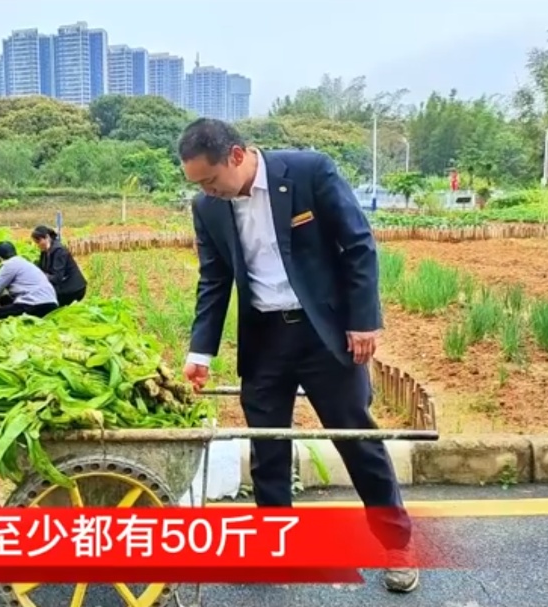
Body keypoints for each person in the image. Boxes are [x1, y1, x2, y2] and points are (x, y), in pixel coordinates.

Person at [177, 118, 418, 593]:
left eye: (210, 179)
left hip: (324, 334)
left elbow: (358, 244)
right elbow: (214, 279)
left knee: (355, 437)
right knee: (267, 446)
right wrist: (200, 351)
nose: (207, 190)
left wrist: (363, 320)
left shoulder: (309, 172)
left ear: (237, 156)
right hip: (264, 338)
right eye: (198, 184)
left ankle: (397, 544)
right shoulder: (207, 207)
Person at [0, 241, 59, 321]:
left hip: (35, 304)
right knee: (5, 299)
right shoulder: (24, 263)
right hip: (50, 303)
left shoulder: (9, 264)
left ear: (0, 258)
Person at [31, 225, 88, 307]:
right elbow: (41, 267)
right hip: (63, 286)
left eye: (39, 241)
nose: (38, 245)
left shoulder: (59, 251)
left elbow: (57, 278)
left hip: (73, 288)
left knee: (46, 301)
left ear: (47, 237)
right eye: (36, 242)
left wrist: (42, 275)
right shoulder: (45, 250)